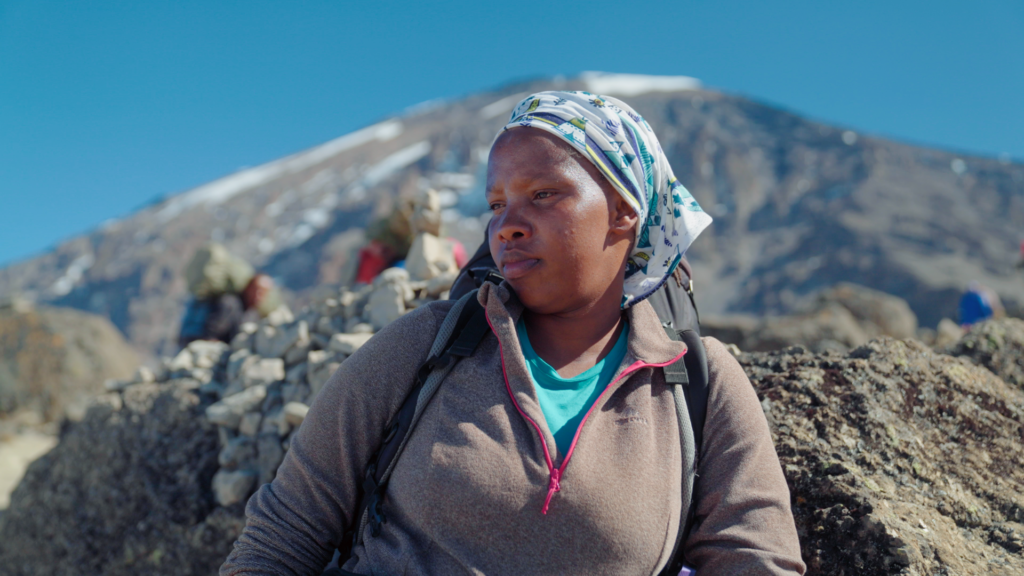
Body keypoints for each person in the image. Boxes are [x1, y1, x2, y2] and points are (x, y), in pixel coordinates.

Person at [221, 91, 804, 575]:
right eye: (496, 204)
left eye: (543, 195)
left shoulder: (697, 380)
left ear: (625, 209)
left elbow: (756, 559)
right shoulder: (423, 346)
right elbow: (285, 532)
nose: (507, 228)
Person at [178, 243, 282, 347]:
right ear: (248, 286)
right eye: (256, 290)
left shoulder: (249, 311)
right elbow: (212, 332)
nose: (258, 296)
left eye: (263, 293)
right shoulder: (230, 304)